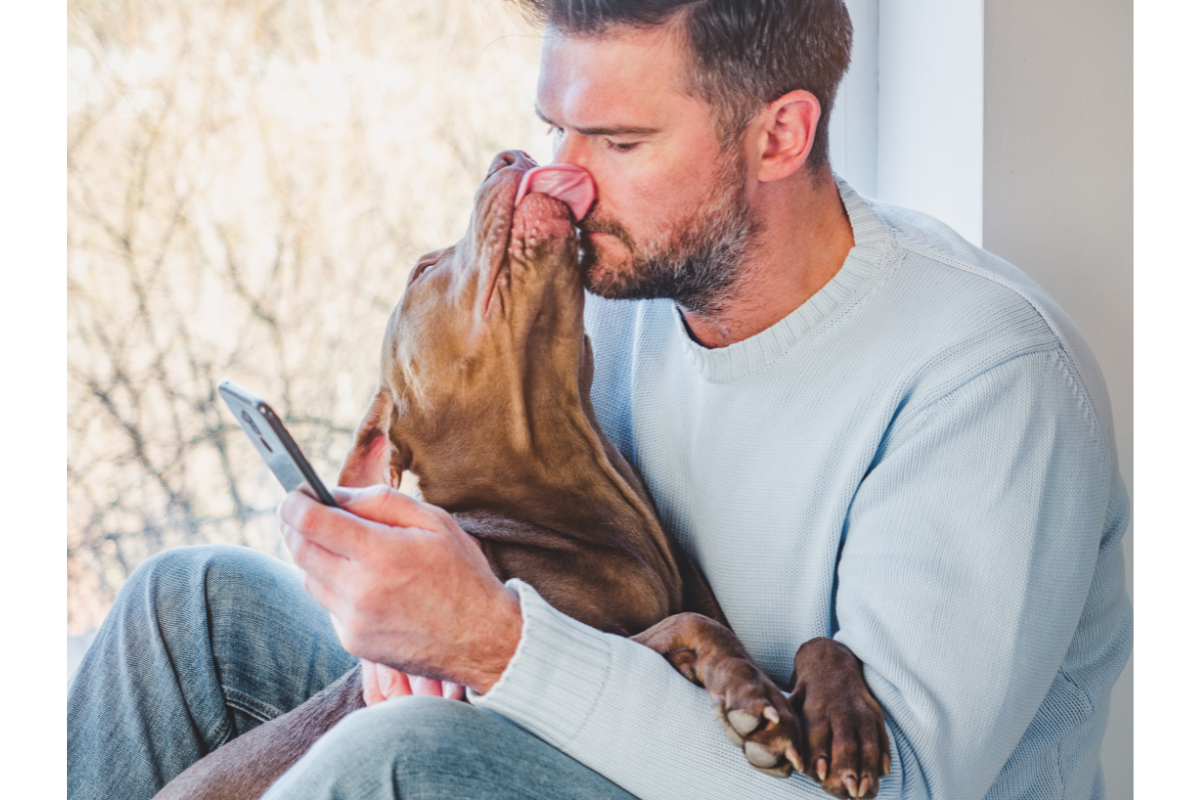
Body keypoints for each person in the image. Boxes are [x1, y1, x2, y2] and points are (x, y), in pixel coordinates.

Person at [67, 1, 1133, 799]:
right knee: (189, 608)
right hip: (629, 718)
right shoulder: (622, 285)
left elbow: (888, 791)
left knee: (403, 760)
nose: (563, 178)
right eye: (556, 128)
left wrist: (492, 643)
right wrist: (402, 625)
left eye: (618, 144)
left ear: (778, 135)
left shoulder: (985, 382)